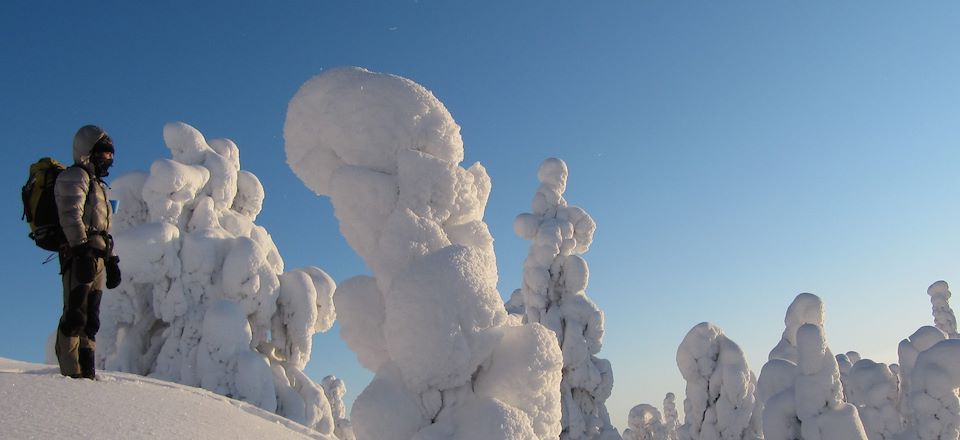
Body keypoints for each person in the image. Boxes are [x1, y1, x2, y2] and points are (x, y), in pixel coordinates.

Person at [54, 124, 121, 379]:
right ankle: (70, 376)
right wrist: (80, 249)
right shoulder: (76, 177)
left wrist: (112, 260)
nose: (109, 159)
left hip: (98, 260)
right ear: (88, 151)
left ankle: (86, 375)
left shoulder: (99, 187)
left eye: (111, 154)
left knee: (91, 321)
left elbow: (104, 229)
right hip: (80, 256)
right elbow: (70, 215)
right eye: (104, 153)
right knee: (75, 315)